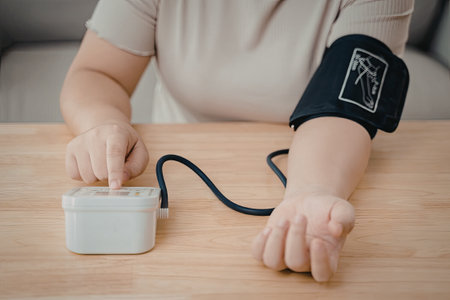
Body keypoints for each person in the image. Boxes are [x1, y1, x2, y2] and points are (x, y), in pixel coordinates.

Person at [60, 0, 413, 282]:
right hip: (179, 170)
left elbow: (342, 111)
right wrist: (103, 125)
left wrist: (312, 191)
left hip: (310, 160)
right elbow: (97, 73)